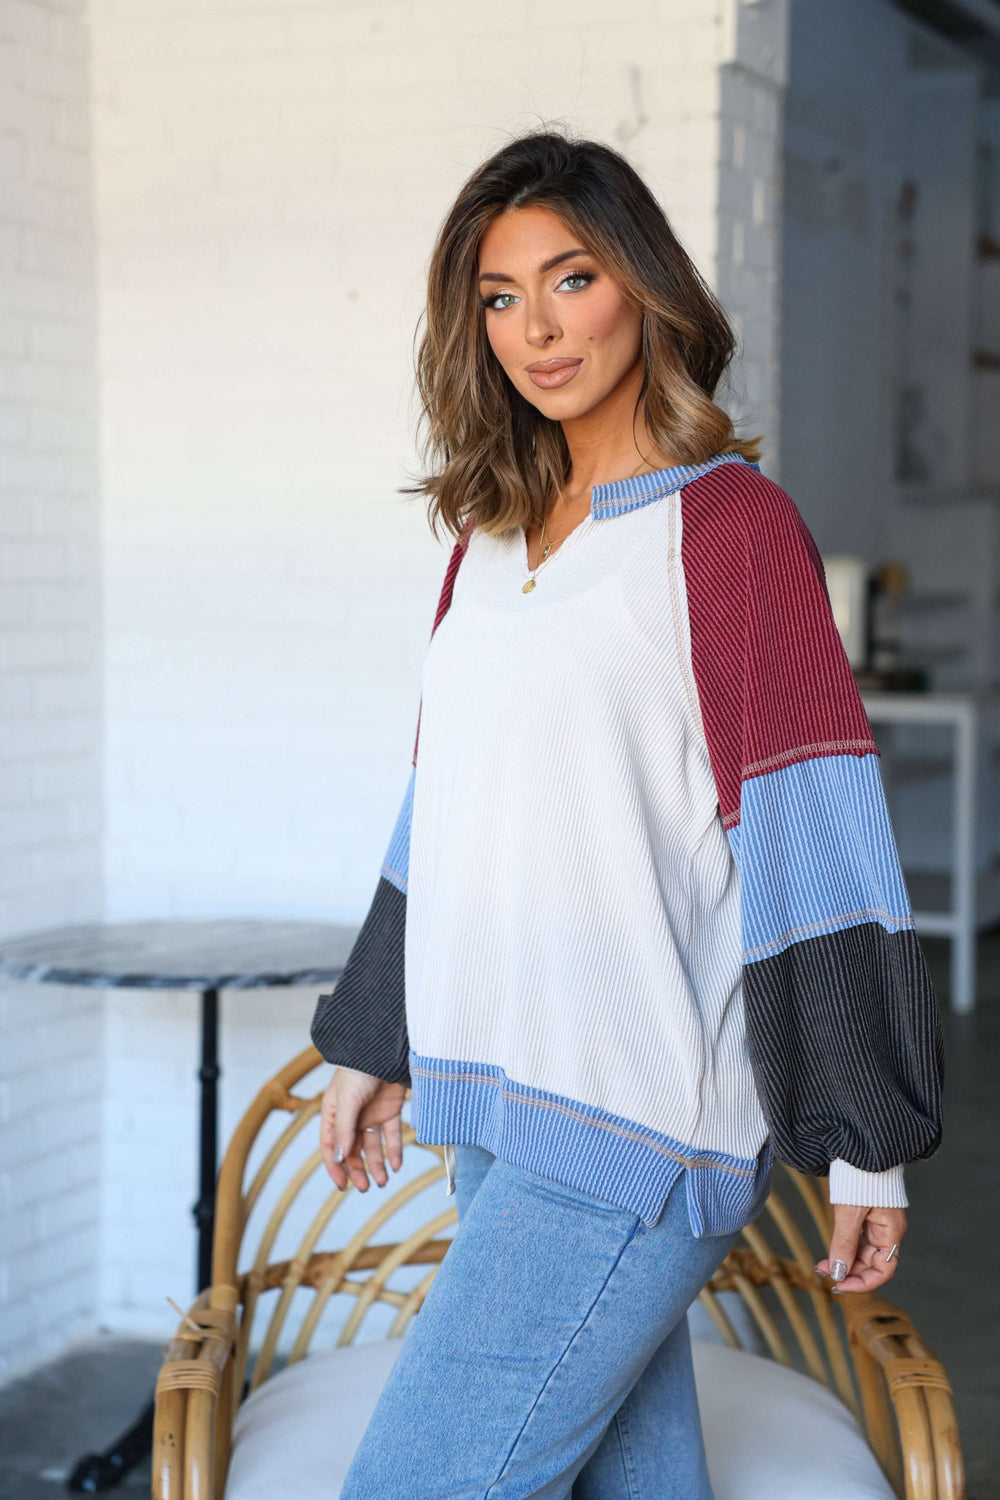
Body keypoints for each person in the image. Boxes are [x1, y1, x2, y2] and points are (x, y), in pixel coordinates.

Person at [309, 128, 945, 1499]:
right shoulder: (485, 540)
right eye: (499, 295)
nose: (537, 327)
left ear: (642, 286)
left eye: (572, 277)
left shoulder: (730, 532)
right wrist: (377, 1034)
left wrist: (865, 1143)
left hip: (636, 1114)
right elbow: (448, 811)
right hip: (491, 1093)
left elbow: (815, 838)